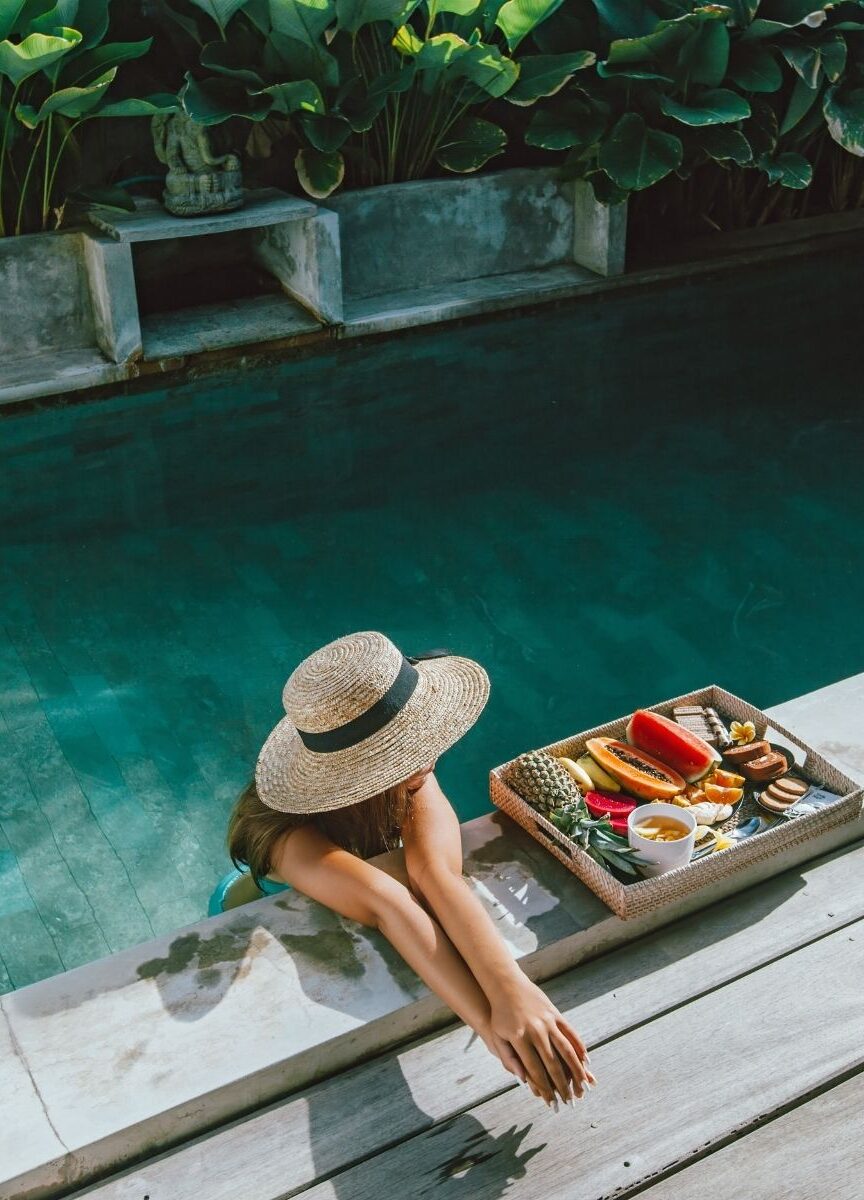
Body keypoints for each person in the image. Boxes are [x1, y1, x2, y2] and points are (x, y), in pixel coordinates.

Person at [224, 630, 597, 1109]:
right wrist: (491, 1028)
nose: (429, 747)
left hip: (366, 883)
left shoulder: (407, 778)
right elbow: (388, 903)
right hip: (259, 903)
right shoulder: (282, 836)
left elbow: (436, 875)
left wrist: (515, 990)